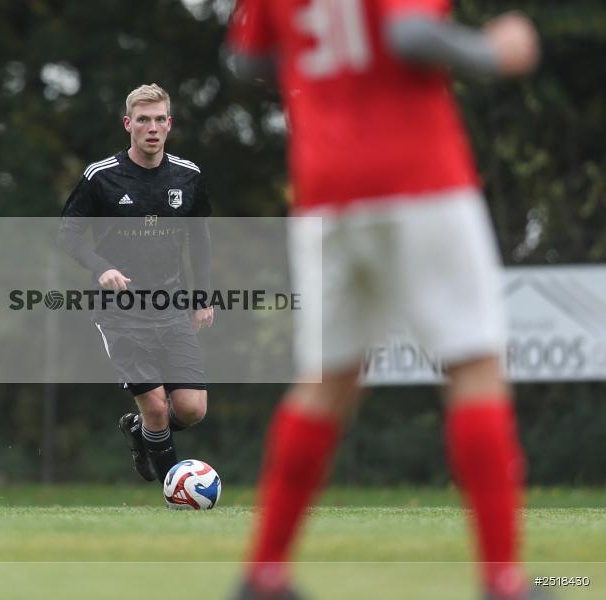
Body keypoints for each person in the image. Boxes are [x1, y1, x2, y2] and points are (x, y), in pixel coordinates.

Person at [225, 1, 543, 599]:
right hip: (419, 177)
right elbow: (412, 33)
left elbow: (244, 58)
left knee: (327, 380)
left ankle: (263, 575)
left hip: (325, 186)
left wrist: (324, 84)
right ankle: (505, 582)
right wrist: (494, 52)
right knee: (474, 365)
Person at [58, 84, 214, 485]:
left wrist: (203, 296)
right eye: (143, 119)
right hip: (120, 312)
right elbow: (68, 235)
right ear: (128, 124)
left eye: (160, 119)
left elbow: (201, 240)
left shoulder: (188, 176)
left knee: (192, 408)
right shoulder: (101, 177)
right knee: (158, 409)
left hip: (172, 307)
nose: (152, 127)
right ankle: (174, 493)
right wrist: (100, 268)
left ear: (170, 124)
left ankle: (139, 431)